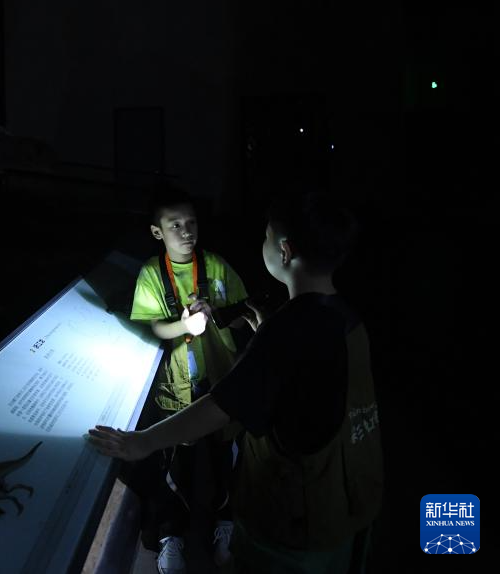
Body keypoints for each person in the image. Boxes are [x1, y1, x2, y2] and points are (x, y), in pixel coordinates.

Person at [89, 192, 383, 574]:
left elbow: (221, 406)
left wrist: (141, 441)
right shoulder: (348, 317)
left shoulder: (288, 329)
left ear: (284, 251)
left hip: (296, 517)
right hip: (347, 499)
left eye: (266, 237)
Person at [127, 184, 249, 572]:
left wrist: (218, 313)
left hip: (220, 380)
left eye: (191, 222)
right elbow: (153, 327)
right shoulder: (152, 273)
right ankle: (171, 534)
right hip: (176, 387)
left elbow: (242, 312)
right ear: (157, 231)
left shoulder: (215, 265)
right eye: (175, 225)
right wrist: (181, 326)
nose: (186, 232)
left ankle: (225, 524)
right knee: (173, 463)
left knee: (225, 458)